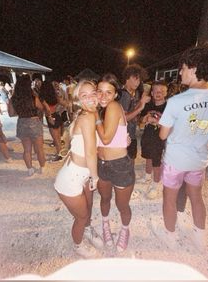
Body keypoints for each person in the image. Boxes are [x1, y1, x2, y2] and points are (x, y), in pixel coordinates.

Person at [152, 43, 208, 252]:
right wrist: (206, 138)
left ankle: (169, 237)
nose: (180, 72)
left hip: (176, 161)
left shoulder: (177, 101)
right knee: (197, 197)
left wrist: (164, 125)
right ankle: (199, 239)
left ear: (194, 67)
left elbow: (163, 134)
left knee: (169, 198)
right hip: (198, 161)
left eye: (182, 68)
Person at [54, 80, 103, 258]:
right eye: (84, 95)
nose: (90, 98)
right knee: (81, 217)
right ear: (78, 100)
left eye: (93, 93)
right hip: (71, 179)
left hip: (82, 174)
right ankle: (78, 245)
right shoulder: (86, 117)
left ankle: (88, 230)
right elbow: (90, 152)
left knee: (88, 207)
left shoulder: (86, 114)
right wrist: (95, 177)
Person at [95, 74, 135, 252]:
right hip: (102, 164)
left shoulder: (112, 106)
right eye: (100, 92)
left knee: (122, 205)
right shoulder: (102, 110)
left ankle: (125, 230)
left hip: (119, 165)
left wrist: (95, 116)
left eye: (108, 92)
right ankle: (105, 226)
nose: (103, 96)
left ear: (115, 95)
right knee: (104, 199)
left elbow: (105, 138)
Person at [9, 74, 46, 176]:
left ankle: (30, 169)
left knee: (27, 150)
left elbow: (11, 114)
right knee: (39, 149)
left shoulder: (13, 98)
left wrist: (21, 111)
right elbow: (41, 107)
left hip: (22, 123)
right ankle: (42, 167)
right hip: (34, 121)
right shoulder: (33, 96)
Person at [140, 81, 168, 199]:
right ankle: (147, 177)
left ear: (166, 93)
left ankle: (155, 185)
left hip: (159, 139)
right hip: (147, 137)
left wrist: (157, 121)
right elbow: (141, 122)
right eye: (156, 91)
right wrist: (145, 118)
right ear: (151, 93)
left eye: (161, 91)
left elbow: (170, 126)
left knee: (157, 162)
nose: (158, 93)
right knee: (148, 157)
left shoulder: (168, 107)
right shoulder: (148, 105)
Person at [118, 64, 150, 161]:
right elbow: (124, 118)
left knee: (131, 160)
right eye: (135, 78)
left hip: (132, 134)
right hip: (123, 136)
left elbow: (133, 112)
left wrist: (140, 102)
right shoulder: (123, 95)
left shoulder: (135, 93)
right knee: (125, 163)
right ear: (127, 77)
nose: (138, 82)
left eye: (139, 80)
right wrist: (141, 106)